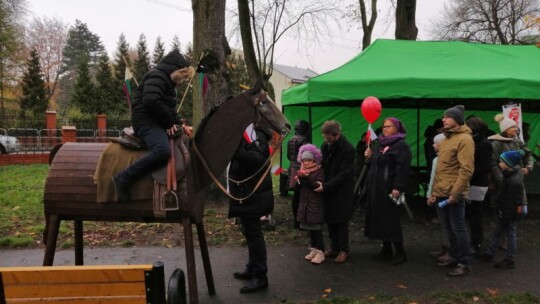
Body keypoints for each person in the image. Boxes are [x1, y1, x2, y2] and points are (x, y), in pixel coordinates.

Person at [112, 50, 191, 201]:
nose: (181, 82)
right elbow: (151, 101)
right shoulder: (157, 76)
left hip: (155, 119)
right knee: (162, 151)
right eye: (181, 77)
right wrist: (168, 122)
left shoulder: (165, 80)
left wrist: (178, 123)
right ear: (175, 70)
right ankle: (123, 178)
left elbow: (167, 107)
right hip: (144, 121)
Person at [428, 105, 474, 277]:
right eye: (443, 116)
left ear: (457, 120)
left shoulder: (465, 140)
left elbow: (466, 169)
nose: (443, 119)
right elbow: (442, 169)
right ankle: (454, 257)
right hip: (442, 192)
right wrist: (434, 192)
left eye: (447, 117)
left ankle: (464, 263)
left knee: (458, 228)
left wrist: (456, 193)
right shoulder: (447, 139)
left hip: (454, 193)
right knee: (448, 227)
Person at [229, 123, 274, 293]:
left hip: (253, 193)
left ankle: (260, 276)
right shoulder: (246, 132)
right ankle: (252, 268)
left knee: (254, 235)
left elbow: (255, 159)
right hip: (245, 192)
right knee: (248, 232)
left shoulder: (258, 134)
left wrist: (234, 149)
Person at [364, 117, 412, 265]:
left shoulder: (401, 146)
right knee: (380, 218)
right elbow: (376, 164)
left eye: (389, 126)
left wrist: (398, 187)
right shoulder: (379, 144)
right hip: (376, 188)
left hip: (391, 189)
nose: (385, 129)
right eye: (384, 126)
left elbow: (402, 168)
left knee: (391, 220)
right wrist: (368, 158)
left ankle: (400, 251)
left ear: (397, 128)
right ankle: (386, 249)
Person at [477, 150, 527, 269]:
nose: (499, 164)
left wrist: (504, 212)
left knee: (510, 233)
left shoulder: (513, 180)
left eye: (502, 162)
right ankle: (490, 253)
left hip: (508, 212)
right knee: (498, 231)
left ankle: (510, 259)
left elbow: (513, 201)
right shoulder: (511, 176)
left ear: (508, 164)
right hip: (507, 211)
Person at [314, 120, 355, 263]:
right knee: (330, 218)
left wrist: (326, 186)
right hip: (329, 188)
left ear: (337, 135)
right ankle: (334, 247)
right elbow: (323, 164)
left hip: (342, 190)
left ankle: (344, 250)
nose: (326, 140)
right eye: (324, 137)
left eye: (328, 137)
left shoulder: (348, 149)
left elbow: (345, 174)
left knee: (341, 220)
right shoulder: (325, 146)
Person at [464, 116, 492, 255]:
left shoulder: (484, 143)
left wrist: (469, 174)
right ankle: (472, 241)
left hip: (477, 183)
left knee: (475, 214)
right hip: (471, 181)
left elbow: (485, 166)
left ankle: (476, 242)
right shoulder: (474, 140)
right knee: (470, 213)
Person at [295, 144, 326, 264]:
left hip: (315, 203)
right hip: (305, 203)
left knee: (317, 229)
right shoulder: (302, 170)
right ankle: (314, 249)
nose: (306, 162)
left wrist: (306, 178)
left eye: (309, 160)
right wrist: (298, 179)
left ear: (314, 160)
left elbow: (317, 185)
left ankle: (320, 251)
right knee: (310, 229)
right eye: (304, 160)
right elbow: (298, 188)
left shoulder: (319, 171)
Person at [426, 133, 450, 264]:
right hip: (438, 194)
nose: (433, 145)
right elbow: (433, 178)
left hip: (443, 194)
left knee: (447, 223)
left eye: (435, 143)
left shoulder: (443, 159)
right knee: (444, 223)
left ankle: (449, 250)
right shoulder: (437, 159)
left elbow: (436, 178)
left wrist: (432, 194)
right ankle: (445, 247)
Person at [286, 120, 310, 229]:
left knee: (296, 196)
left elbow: (288, 156)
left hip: (292, 168)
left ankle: (296, 221)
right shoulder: (304, 140)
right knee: (301, 196)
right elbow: (306, 157)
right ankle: (300, 221)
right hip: (301, 169)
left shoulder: (290, 140)